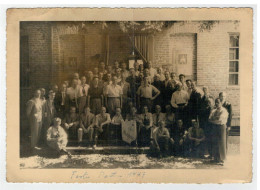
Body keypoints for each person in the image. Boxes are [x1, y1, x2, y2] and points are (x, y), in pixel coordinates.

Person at [208, 98, 228, 163]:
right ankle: (215, 158)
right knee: (215, 142)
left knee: (221, 143)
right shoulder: (213, 111)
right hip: (214, 128)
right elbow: (209, 119)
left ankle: (222, 159)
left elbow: (220, 121)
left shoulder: (224, 111)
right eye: (216, 102)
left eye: (218, 102)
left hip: (221, 128)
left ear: (221, 103)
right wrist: (215, 120)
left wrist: (214, 120)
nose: (217, 104)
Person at [199, 86, 214, 155]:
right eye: (204, 90)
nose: (205, 91)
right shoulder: (202, 98)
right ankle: (204, 151)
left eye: (206, 89)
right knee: (204, 134)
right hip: (203, 119)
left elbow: (212, 107)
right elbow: (200, 108)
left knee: (209, 134)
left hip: (209, 119)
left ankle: (210, 151)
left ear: (208, 90)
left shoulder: (211, 97)